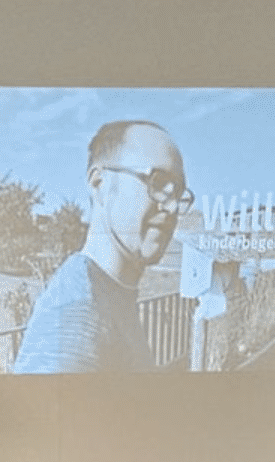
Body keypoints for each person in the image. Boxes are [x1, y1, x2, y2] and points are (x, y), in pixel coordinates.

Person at [11, 120, 189, 374]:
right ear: (98, 183)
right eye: (157, 182)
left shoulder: (110, 292)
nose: (172, 207)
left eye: (178, 192)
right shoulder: (77, 316)